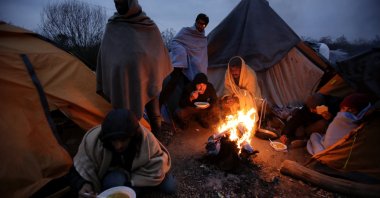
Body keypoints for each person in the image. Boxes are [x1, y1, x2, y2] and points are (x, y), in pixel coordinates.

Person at [96, 0, 173, 135]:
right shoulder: (113, 26)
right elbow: (106, 54)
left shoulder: (147, 25)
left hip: (148, 78)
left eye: (121, 3)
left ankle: (156, 140)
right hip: (122, 80)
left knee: (154, 114)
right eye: (116, 3)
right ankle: (132, 142)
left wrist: (149, 66)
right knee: (125, 115)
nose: (118, 7)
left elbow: (158, 52)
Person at [68, 109, 176, 197]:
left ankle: (137, 186)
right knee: (114, 182)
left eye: (123, 140)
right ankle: (135, 187)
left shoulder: (145, 139)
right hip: (116, 173)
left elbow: (158, 162)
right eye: (114, 140)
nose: (118, 145)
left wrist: (134, 182)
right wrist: (82, 184)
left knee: (170, 187)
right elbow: (78, 169)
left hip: (142, 170)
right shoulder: (93, 141)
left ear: (133, 136)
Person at [159, 13, 209, 108]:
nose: (199, 26)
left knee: (188, 90)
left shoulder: (203, 39)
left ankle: (183, 112)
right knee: (172, 83)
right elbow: (175, 42)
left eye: (202, 25)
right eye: (198, 23)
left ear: (205, 26)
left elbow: (202, 57)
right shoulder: (186, 31)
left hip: (193, 69)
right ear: (195, 22)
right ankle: (160, 105)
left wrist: (202, 74)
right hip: (180, 65)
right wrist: (181, 54)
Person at [307, 93, 372, 155]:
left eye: (351, 110)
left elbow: (340, 127)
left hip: (331, 148)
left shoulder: (336, 106)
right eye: (343, 109)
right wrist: (330, 119)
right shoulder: (342, 112)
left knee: (315, 135)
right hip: (330, 140)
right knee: (315, 135)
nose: (345, 112)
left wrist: (330, 119)